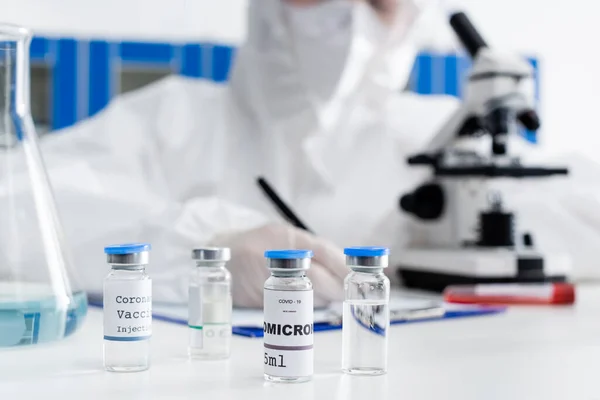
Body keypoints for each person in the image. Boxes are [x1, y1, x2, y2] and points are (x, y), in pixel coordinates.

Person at [17, 0, 461, 307]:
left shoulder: (445, 138)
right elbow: (16, 205)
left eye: (379, 3)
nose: (348, 14)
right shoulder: (172, 120)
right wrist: (205, 246)